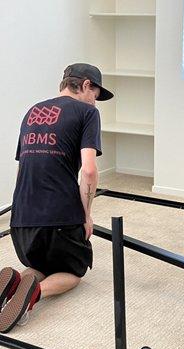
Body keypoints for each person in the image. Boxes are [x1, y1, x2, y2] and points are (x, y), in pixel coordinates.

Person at [0, 63, 113, 333]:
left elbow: (22, 168)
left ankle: (18, 281)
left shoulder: (32, 112)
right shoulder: (87, 113)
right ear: (86, 85)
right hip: (59, 217)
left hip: (21, 222)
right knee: (74, 271)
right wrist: (86, 215)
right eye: (96, 94)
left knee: (39, 264)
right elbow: (88, 170)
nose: (95, 101)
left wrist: (19, 213)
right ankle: (35, 293)